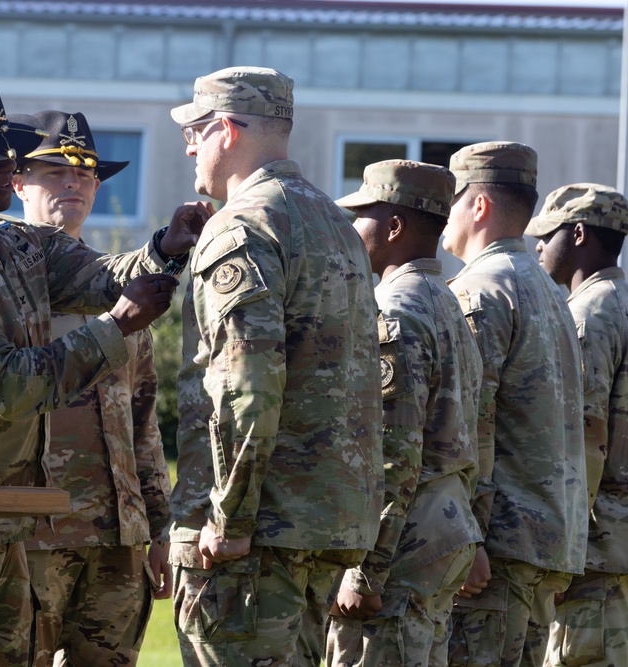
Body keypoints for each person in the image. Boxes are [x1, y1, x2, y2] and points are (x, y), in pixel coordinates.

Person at [0, 73, 208, 666]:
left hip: (7, 529)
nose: (8, 166)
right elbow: (1, 389)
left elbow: (106, 278)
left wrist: (167, 246)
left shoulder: (21, 246)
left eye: (9, 152)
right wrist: (117, 328)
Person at [166, 65, 384, 666]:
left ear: (228, 131)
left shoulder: (241, 227)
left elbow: (245, 385)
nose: (188, 145)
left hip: (256, 534)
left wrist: (229, 515)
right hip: (324, 521)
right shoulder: (334, 222)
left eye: (196, 130)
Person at [10, 109, 173, 666]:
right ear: (17, 182)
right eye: (54, 171)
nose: (73, 182)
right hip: (33, 530)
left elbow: (142, 419)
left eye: (84, 173)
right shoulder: (0, 279)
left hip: (116, 537)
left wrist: (158, 525)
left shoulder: (122, 294)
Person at [327, 160, 482, 665]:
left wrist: (365, 572)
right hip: (443, 528)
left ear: (394, 226)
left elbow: (394, 451)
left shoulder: (394, 312)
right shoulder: (447, 303)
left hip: (402, 546)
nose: (353, 228)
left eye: (363, 215)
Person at [443, 142, 588, 667]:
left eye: (451, 200)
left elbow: (471, 422)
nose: (443, 215)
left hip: (497, 547)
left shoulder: (481, 290)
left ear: (477, 205)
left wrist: (467, 535)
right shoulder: (547, 290)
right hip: (547, 538)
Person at [527, 183, 628, 667]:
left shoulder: (590, 312)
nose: (538, 245)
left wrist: (563, 546)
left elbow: (586, 435)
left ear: (580, 234)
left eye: (546, 234)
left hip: (595, 550)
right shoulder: (622, 300)